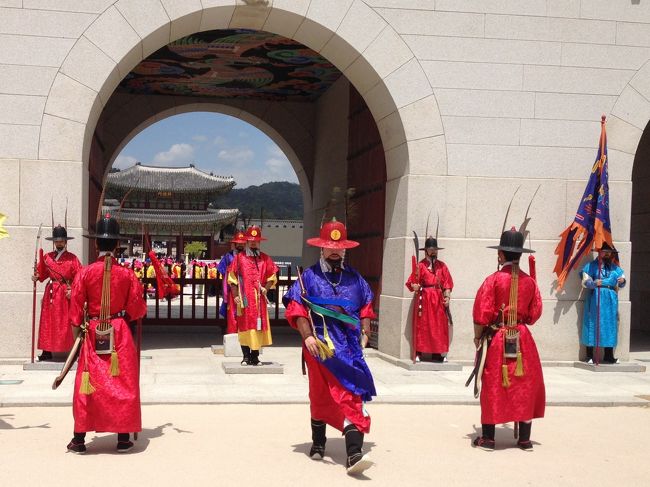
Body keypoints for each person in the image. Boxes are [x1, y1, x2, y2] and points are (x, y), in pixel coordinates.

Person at [282, 218, 376, 475]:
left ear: (345, 249)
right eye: (330, 247)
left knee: (351, 394)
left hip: (349, 349)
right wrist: (308, 336)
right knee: (321, 394)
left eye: (339, 247)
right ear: (321, 248)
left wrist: (366, 328)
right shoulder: (308, 277)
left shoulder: (355, 279)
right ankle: (318, 441)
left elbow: (366, 304)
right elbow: (297, 308)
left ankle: (354, 453)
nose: (335, 252)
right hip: (320, 348)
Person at [66, 213, 147, 454]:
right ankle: (123, 438)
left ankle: (79, 438)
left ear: (96, 243)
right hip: (119, 331)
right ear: (118, 244)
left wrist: (77, 336)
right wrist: (124, 316)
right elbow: (137, 308)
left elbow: (74, 311)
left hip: (92, 330)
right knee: (122, 381)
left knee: (87, 383)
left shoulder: (85, 273)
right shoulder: (128, 274)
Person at [472, 227, 544, 451]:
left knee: (494, 383)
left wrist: (477, 337)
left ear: (501, 255)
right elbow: (534, 313)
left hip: (499, 336)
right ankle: (524, 440)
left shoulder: (493, 280)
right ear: (520, 255)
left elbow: (481, 313)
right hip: (522, 337)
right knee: (524, 384)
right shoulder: (530, 283)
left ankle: (489, 438)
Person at [227, 225, 278, 365]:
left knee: (258, 328)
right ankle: (245, 356)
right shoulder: (239, 258)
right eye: (251, 240)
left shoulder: (265, 259)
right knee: (244, 327)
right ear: (247, 242)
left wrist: (266, 288)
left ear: (259, 242)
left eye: (256, 240)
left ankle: (255, 356)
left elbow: (272, 276)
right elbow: (232, 278)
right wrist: (235, 294)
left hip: (259, 301)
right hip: (245, 300)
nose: (253, 243)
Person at [31, 225, 82, 361]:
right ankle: (46, 351)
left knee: (66, 322)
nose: (59, 243)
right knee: (48, 321)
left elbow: (80, 277)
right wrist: (36, 276)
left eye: (61, 240)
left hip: (65, 293)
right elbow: (41, 275)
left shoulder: (72, 258)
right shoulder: (47, 257)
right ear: (54, 242)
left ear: (65, 241)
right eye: (57, 240)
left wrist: (73, 289)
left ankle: (73, 350)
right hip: (51, 293)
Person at [406, 237, 453, 362]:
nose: (433, 252)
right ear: (426, 251)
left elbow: (447, 283)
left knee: (439, 325)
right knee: (423, 325)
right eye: (431, 249)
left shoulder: (442, 266)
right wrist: (414, 286)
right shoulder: (420, 266)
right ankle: (419, 352)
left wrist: (447, 297)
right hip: (424, 298)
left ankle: (438, 353)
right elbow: (411, 282)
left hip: (438, 299)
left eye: (435, 250)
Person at [580, 242, 626, 364]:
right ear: (599, 252)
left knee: (610, 326)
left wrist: (622, 281)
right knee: (592, 323)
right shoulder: (591, 266)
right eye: (605, 252)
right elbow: (585, 281)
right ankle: (590, 355)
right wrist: (594, 283)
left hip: (610, 300)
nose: (607, 254)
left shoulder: (615, 268)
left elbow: (622, 280)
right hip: (596, 298)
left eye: (609, 252)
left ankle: (609, 355)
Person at [218, 230, 247, 334]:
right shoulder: (228, 257)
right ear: (234, 244)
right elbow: (222, 271)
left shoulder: (249, 256)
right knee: (232, 311)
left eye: (242, 243)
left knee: (245, 309)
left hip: (246, 288)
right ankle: (231, 331)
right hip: (232, 287)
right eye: (238, 243)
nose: (240, 245)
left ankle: (244, 331)